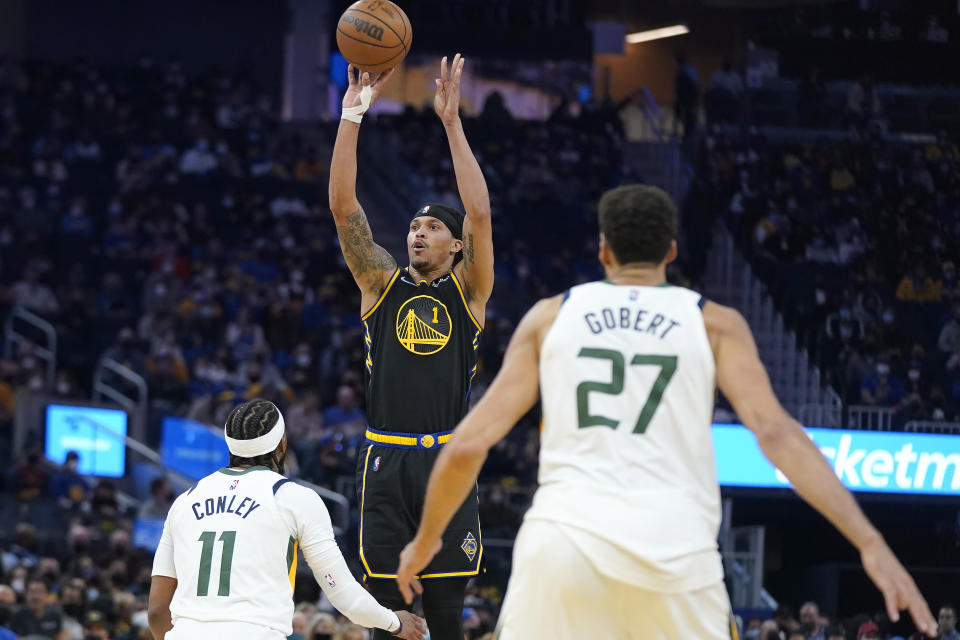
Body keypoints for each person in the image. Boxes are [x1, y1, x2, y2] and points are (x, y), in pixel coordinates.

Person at [395, 184, 937, 639]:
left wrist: (424, 541)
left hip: (562, 545)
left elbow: (467, 444)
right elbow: (777, 434)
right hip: (676, 549)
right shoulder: (715, 323)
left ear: (603, 250)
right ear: (672, 252)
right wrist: (870, 542)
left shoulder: (550, 317)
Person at [328, 54, 494, 640]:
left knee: (446, 613)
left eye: (431, 229)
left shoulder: (470, 290)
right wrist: (352, 115)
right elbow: (344, 209)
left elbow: (478, 210)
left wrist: (451, 122)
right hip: (386, 457)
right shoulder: (380, 282)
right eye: (412, 228)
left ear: (454, 246)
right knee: (385, 613)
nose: (417, 233)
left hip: (448, 457)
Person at [147, 399, 426, 640]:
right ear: (282, 445)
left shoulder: (184, 501)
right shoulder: (293, 497)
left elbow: (157, 611)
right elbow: (343, 595)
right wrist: (395, 622)